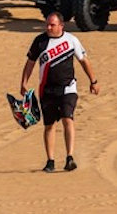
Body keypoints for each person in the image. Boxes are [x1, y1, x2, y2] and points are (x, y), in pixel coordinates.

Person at [20, 12, 100, 172]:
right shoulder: (40, 41)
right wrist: (23, 83)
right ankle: (50, 161)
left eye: (52, 25)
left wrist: (93, 81)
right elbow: (30, 63)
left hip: (68, 87)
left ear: (61, 26)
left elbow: (84, 61)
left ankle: (69, 157)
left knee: (67, 118)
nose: (48, 27)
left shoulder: (71, 40)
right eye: (47, 24)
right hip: (46, 90)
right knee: (49, 125)